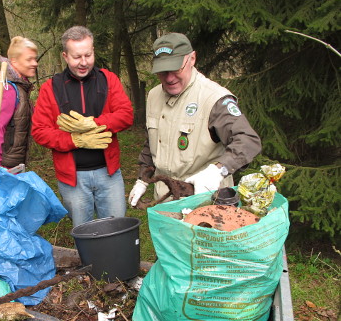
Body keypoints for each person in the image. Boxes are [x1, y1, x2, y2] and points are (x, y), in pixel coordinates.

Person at [129, 33, 261, 206]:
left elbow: (248, 141)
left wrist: (218, 170)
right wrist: (143, 179)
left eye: (176, 69)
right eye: (162, 71)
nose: (169, 78)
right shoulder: (154, 96)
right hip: (165, 203)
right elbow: (152, 144)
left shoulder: (214, 99)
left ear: (192, 59)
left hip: (207, 203)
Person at [32, 26, 134, 227]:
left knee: (116, 229)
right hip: (73, 179)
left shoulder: (108, 79)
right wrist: (74, 140)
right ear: (65, 56)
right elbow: (40, 131)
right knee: (83, 231)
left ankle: (113, 259)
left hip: (109, 173)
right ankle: (88, 260)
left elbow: (126, 115)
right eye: (77, 56)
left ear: (93, 51)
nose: (84, 62)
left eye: (88, 54)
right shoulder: (50, 88)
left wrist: (94, 123)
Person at [0, 36, 38, 174]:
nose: (35, 63)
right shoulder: (8, 89)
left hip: (11, 166)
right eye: (29, 59)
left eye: (35, 58)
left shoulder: (20, 87)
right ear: (14, 61)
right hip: (1, 169)